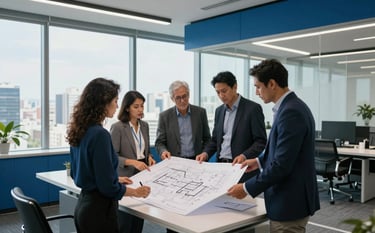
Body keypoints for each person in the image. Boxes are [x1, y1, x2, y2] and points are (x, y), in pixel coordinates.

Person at [227, 59, 320, 233]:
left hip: (290, 202)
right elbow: (282, 150)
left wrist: (246, 188)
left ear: (272, 84)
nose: (256, 92)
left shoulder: (291, 112)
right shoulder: (289, 107)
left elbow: (282, 165)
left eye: (258, 87)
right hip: (289, 199)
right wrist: (258, 161)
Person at [67, 78, 151, 233]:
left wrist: (115, 178)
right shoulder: (100, 134)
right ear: (103, 103)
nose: (117, 105)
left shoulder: (80, 130)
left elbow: (76, 173)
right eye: (115, 101)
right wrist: (136, 192)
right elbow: (108, 188)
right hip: (100, 212)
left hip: (83, 207)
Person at [196, 71, 267, 182]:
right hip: (221, 168)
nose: (221, 96)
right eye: (218, 92)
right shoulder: (219, 111)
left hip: (243, 168)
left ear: (235, 87)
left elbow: (260, 141)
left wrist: (244, 155)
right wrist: (205, 153)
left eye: (224, 91)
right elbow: (215, 140)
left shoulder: (253, 109)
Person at [110, 90, 156, 233]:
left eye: (142, 106)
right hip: (127, 175)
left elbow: (146, 151)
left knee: (139, 217)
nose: (140, 110)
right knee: (126, 221)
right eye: (136, 106)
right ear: (127, 107)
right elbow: (112, 157)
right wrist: (133, 162)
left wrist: (149, 157)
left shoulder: (145, 126)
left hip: (143, 173)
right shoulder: (118, 127)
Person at [155, 80, 211, 160]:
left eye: (184, 96)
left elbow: (207, 139)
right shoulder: (164, 116)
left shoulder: (200, 113)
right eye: (178, 98)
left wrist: (204, 153)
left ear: (189, 95)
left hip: (197, 160)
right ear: (172, 99)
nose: (182, 100)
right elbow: (159, 142)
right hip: (174, 161)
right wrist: (163, 152)